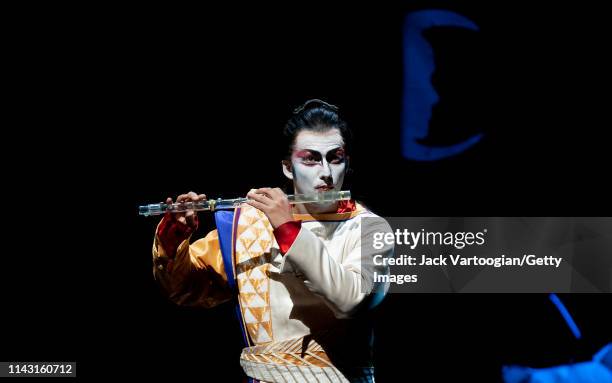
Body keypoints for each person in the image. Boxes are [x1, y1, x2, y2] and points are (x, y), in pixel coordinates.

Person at [151, 99, 393, 382]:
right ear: (288, 168)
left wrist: (288, 229)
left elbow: (351, 300)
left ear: (346, 162)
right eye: (311, 158)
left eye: (335, 158)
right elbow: (187, 291)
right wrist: (173, 240)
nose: (326, 172)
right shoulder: (248, 224)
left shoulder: (370, 228)